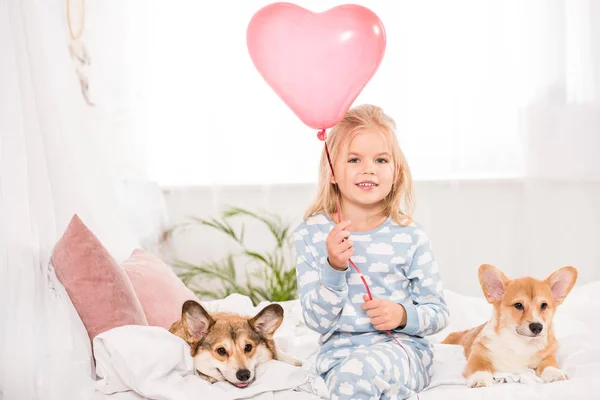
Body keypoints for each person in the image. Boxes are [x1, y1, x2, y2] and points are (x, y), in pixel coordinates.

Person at [293, 104, 450, 399]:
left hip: (403, 353)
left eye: (381, 159)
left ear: (396, 172)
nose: (369, 168)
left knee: (359, 376)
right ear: (333, 172)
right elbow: (317, 321)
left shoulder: (411, 236)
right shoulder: (312, 234)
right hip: (339, 359)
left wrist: (403, 315)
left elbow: (438, 312)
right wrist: (334, 267)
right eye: (354, 159)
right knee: (351, 380)